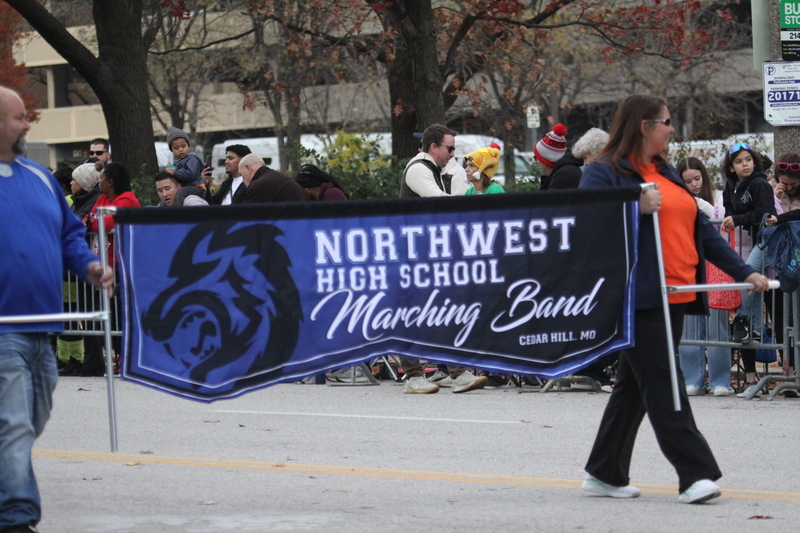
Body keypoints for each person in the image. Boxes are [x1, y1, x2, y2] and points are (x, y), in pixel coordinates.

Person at [579, 94, 768, 504]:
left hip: (677, 294)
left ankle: (604, 471)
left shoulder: (664, 170)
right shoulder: (605, 172)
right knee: (664, 383)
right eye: (665, 121)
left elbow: (701, 230)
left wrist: (745, 272)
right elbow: (587, 226)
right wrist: (634, 205)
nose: (671, 128)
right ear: (643, 125)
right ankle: (695, 473)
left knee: (633, 388)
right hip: (638, 298)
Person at [0, 85, 113, 533]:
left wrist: (88, 264)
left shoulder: (39, 177)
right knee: (11, 425)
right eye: (19, 118)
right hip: (3, 329)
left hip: (43, 326)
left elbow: (68, 233)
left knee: (30, 421)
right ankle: (16, 518)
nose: (28, 125)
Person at [398, 124, 488, 394]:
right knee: (411, 316)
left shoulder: (436, 170)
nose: (452, 154)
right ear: (433, 147)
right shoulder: (417, 169)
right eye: (449, 148)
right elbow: (440, 203)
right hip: (414, 257)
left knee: (445, 310)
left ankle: (458, 373)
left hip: (429, 255)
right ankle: (414, 377)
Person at [721, 143, 776, 394]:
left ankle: (741, 321)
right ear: (731, 168)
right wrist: (735, 219)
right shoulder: (731, 186)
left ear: (754, 161)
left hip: (766, 240)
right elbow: (730, 212)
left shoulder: (760, 183)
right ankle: (752, 378)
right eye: (739, 162)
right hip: (745, 245)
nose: (745, 164)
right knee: (750, 306)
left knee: (748, 280)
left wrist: (739, 220)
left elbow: (765, 213)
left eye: (748, 160)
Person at [676, 157, 734, 397]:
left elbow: (723, 227)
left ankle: (721, 380)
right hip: (689, 263)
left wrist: (702, 205)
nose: (694, 184)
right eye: (687, 181)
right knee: (690, 322)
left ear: (704, 176)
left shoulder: (719, 197)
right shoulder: (678, 201)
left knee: (716, 323)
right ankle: (693, 378)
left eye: (697, 178)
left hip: (715, 265)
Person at [237, 153, 307, 204]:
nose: (242, 181)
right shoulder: (277, 178)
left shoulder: (260, 185)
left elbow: (246, 217)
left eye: (241, 175)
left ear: (248, 168)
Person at [164, 126, 206, 204]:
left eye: (183, 146)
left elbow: (190, 174)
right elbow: (176, 169)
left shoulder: (192, 159)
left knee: (181, 192)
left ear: (188, 145)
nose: (180, 150)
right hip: (187, 187)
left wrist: (175, 172)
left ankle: (179, 212)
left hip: (197, 187)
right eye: (176, 148)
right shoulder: (177, 162)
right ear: (172, 150)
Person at [534, 124, 568, 190]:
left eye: (536, 158)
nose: (536, 162)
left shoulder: (561, 180)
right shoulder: (558, 177)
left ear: (546, 161)